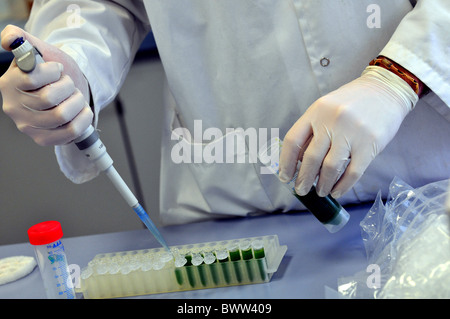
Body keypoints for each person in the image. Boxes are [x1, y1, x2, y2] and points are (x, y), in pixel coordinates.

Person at [0, 0, 449, 226]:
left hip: (432, 193)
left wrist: (399, 77)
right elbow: (105, 5)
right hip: (236, 210)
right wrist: (71, 67)